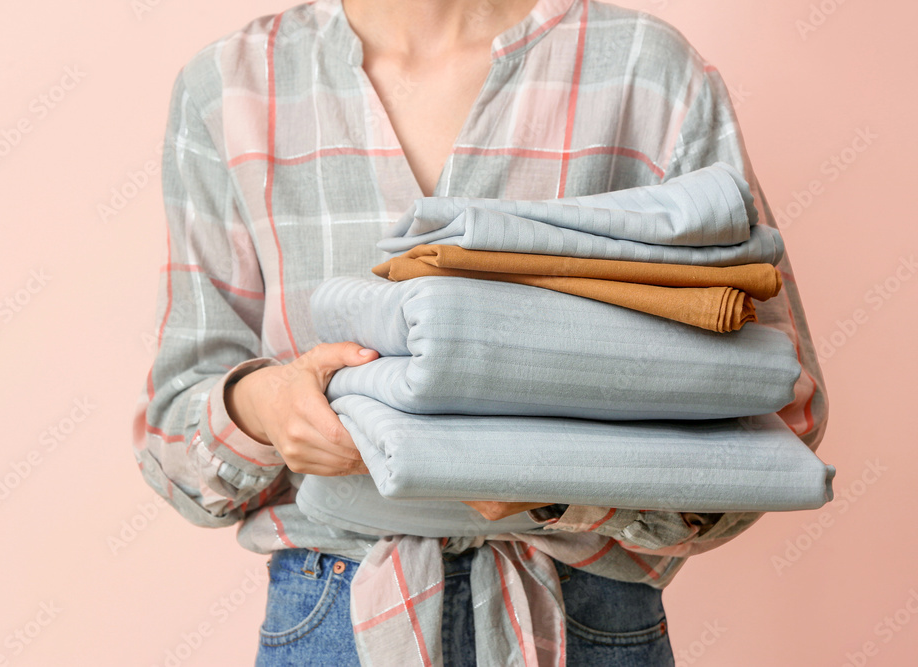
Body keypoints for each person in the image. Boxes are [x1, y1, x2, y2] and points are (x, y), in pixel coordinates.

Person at [131, 0, 828, 664]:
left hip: (586, 618)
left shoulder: (651, 72)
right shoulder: (230, 87)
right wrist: (265, 403)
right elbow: (173, 436)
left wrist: (562, 487)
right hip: (329, 615)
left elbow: (779, 404)